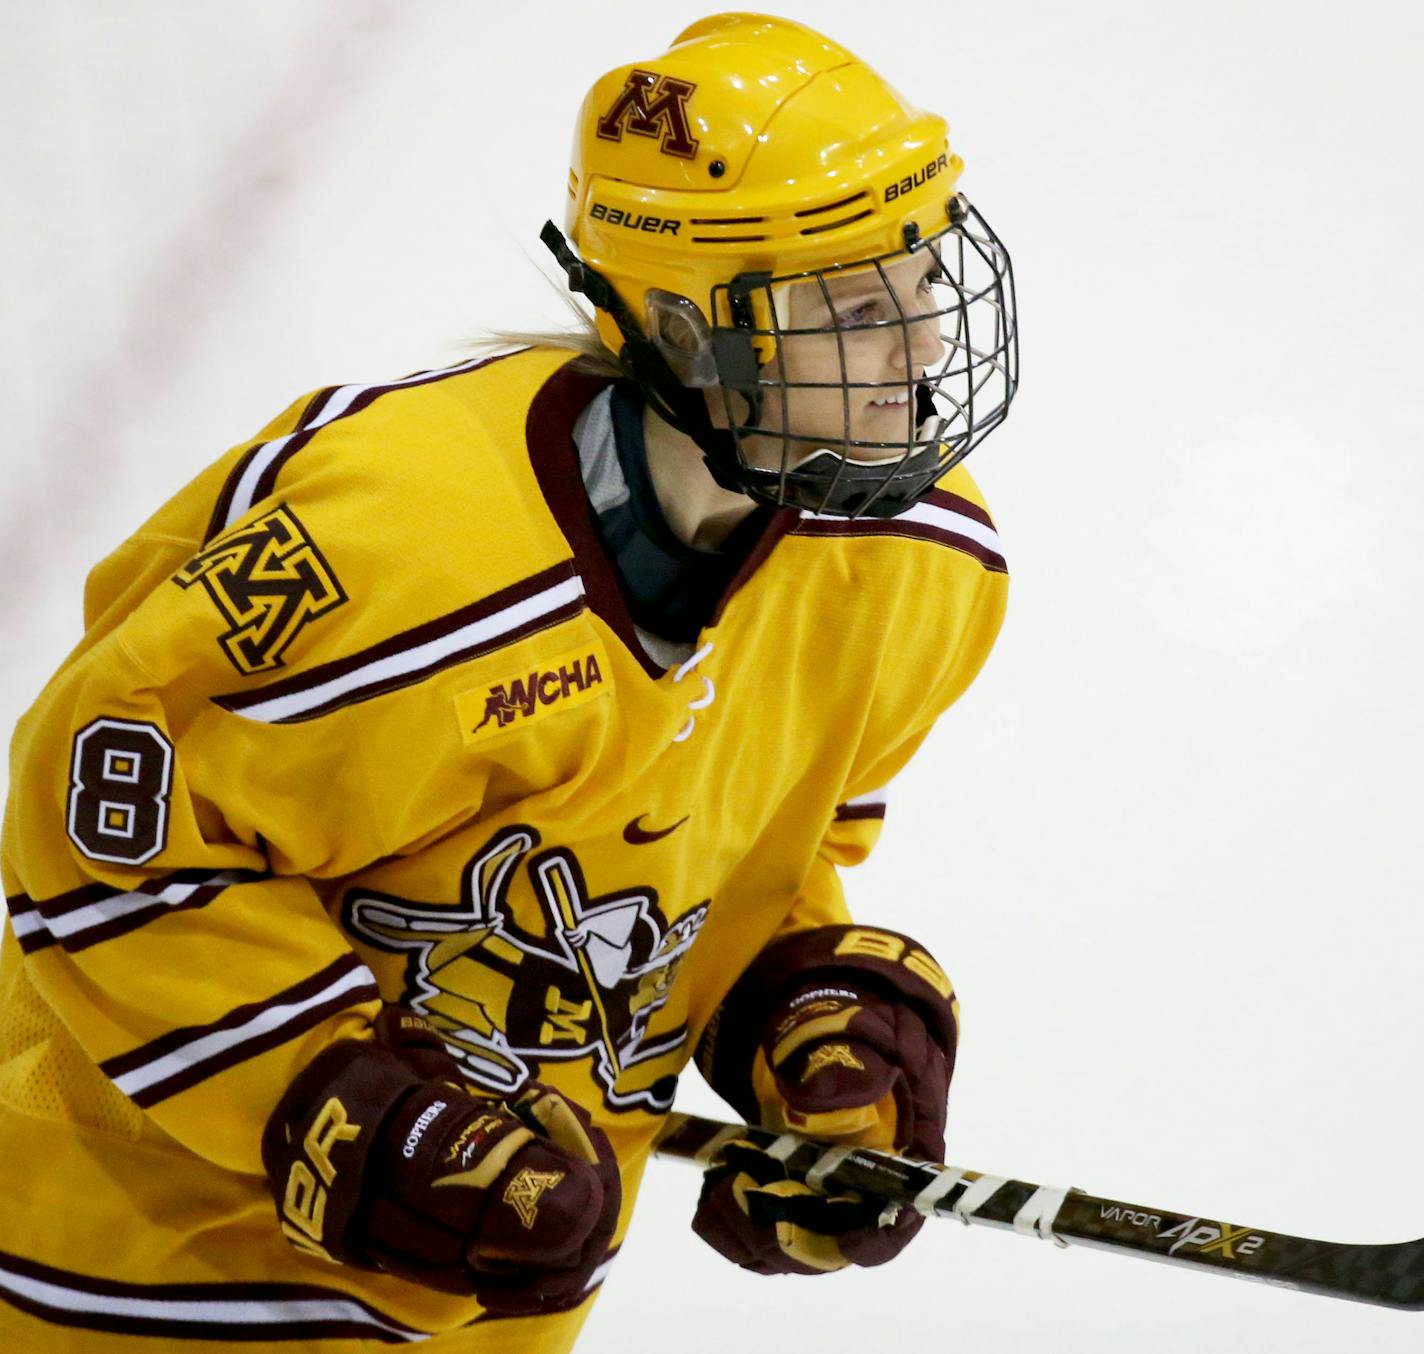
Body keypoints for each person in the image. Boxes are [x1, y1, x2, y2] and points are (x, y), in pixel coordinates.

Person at [0, 13, 1016, 1353]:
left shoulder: (919, 564)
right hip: (142, 1262)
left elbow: (760, 837)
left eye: (922, 280)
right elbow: (100, 838)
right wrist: (337, 1099)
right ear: (682, 328)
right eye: (850, 309)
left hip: (488, 1294)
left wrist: (793, 1002)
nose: (917, 348)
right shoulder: (402, 547)